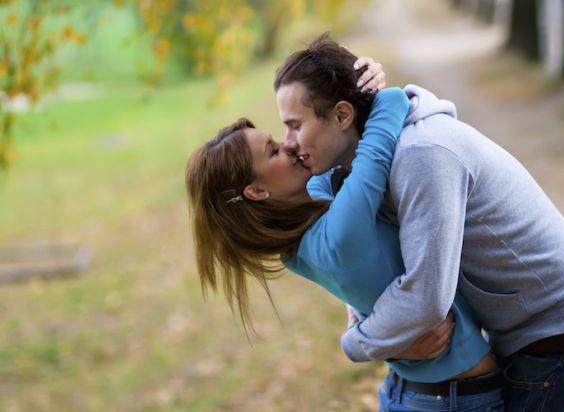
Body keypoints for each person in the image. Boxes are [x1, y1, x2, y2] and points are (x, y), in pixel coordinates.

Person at [275, 35, 564, 411]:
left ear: (342, 116)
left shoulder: (421, 155)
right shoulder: (356, 164)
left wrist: (356, 344)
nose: (287, 143)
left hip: (558, 334)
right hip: (518, 330)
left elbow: (426, 299)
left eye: (295, 126)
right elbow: (361, 267)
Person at [185, 51, 505, 411]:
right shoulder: (340, 233)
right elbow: (385, 124)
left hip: (410, 390)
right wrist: (367, 91)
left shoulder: (297, 247)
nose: (289, 144)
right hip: (456, 397)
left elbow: (328, 162)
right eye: (273, 151)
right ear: (257, 191)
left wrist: (353, 87)